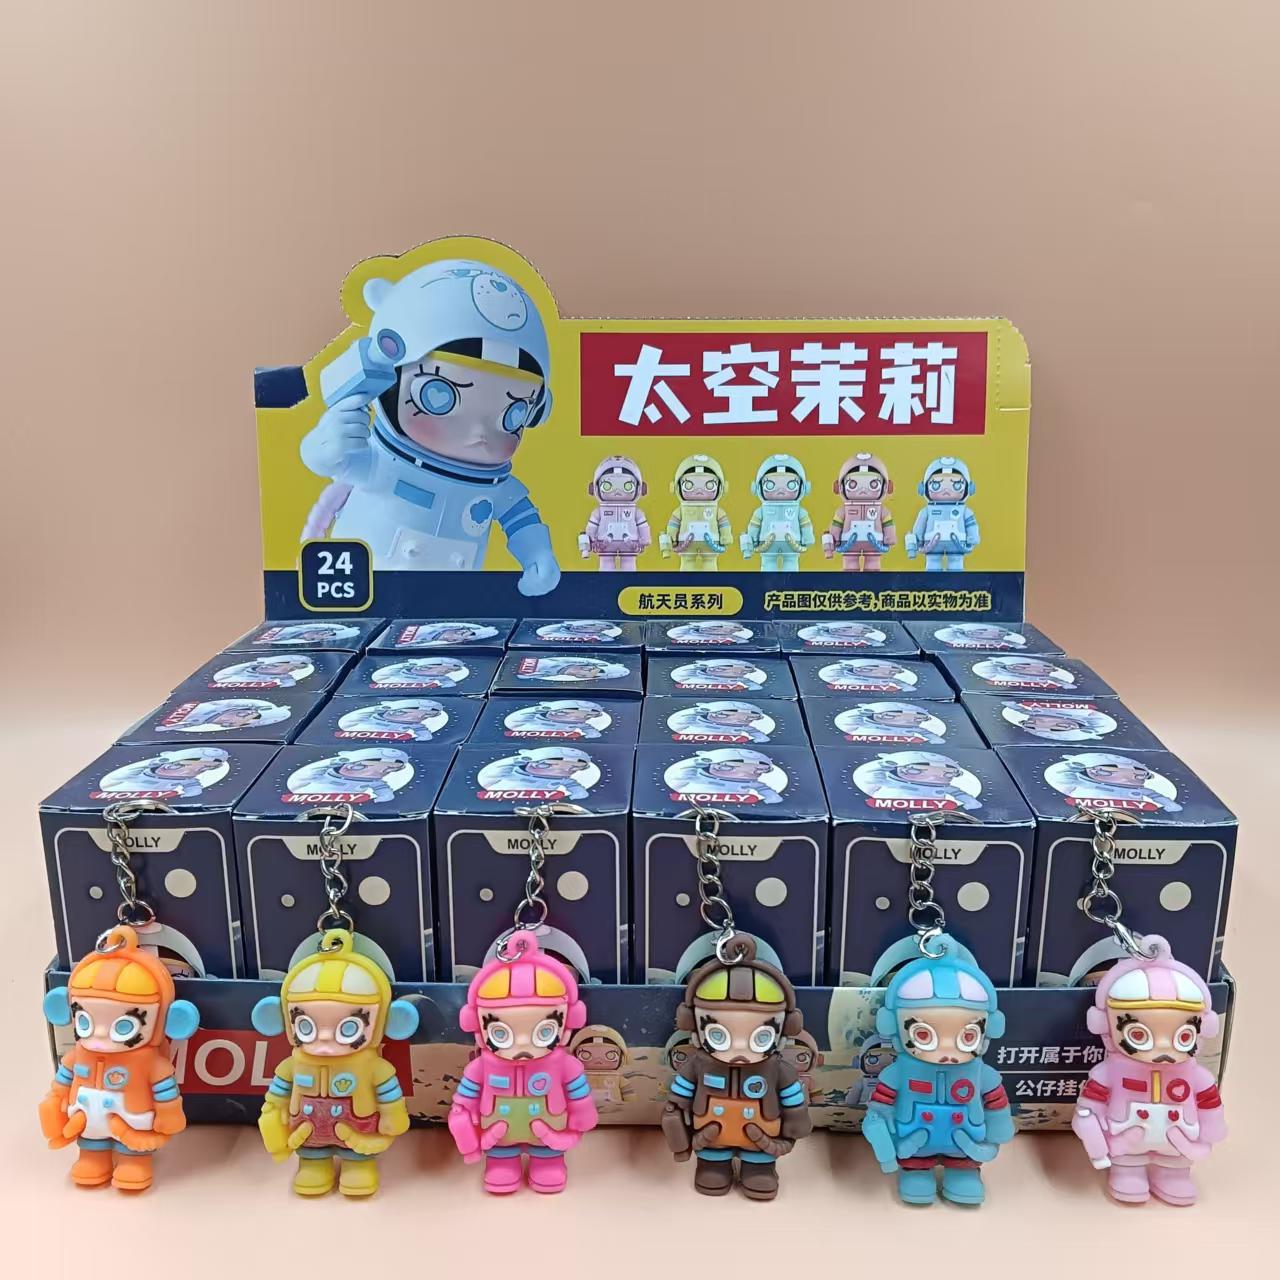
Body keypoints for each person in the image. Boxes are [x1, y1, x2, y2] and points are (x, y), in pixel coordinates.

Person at [300, 260, 559, 595]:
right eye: (440, 395)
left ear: (535, 411)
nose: (478, 432)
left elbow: (520, 518)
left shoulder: (495, 488)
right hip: (365, 594)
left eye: (512, 412)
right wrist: (326, 444)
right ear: (387, 376)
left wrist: (538, 555)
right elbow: (329, 461)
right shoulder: (378, 464)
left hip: (452, 605)